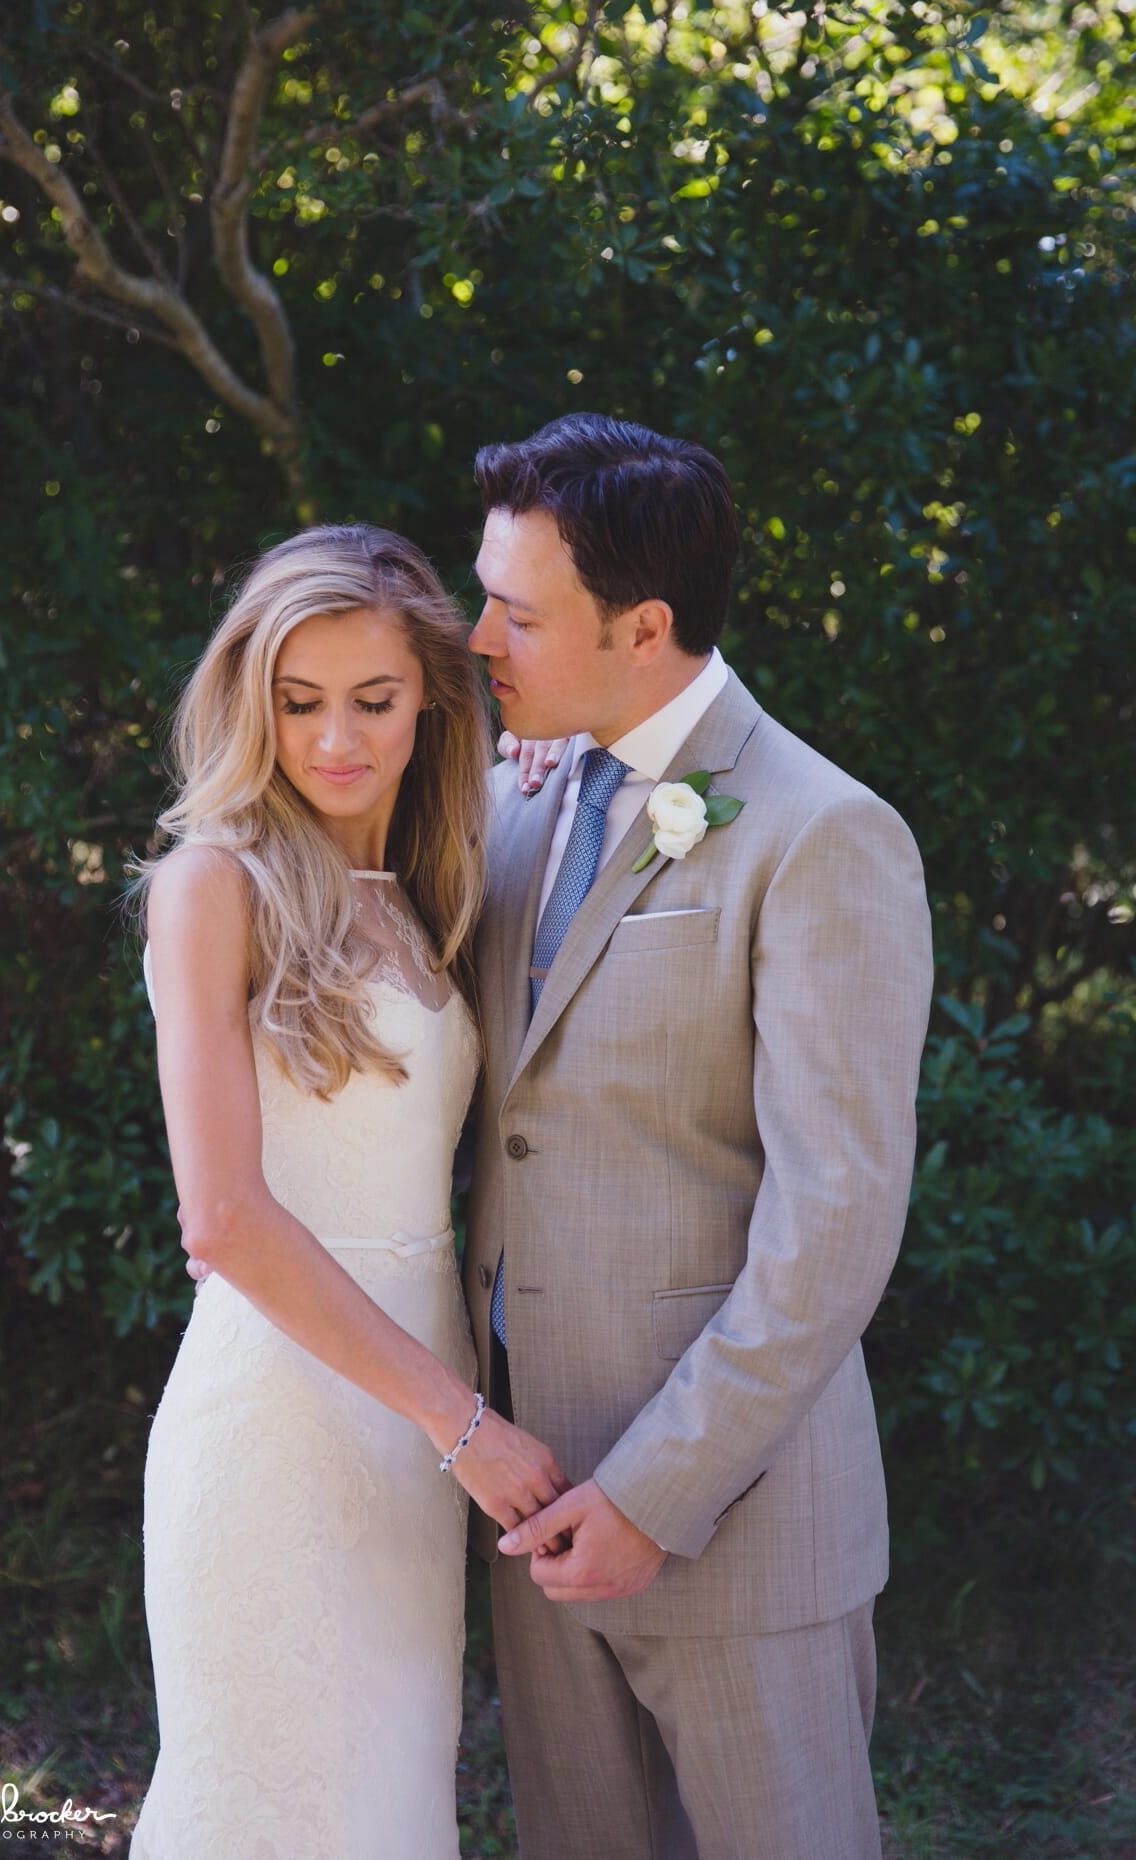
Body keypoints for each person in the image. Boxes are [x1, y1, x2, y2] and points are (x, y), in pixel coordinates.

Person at [463, 412, 935, 1860]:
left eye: (519, 611)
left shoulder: (820, 833)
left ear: (644, 624)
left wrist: (657, 1494)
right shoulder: (519, 795)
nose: (480, 636)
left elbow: (834, 1229)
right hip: (535, 1509)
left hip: (739, 1527)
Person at [126, 524, 568, 1860]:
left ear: (427, 694)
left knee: (385, 1813)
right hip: (282, 1431)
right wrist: (467, 1425)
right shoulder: (216, 886)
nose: (335, 740)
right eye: (298, 703)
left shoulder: (429, 890)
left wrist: (540, 771)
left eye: (373, 702)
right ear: (251, 703)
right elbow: (226, 1220)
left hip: (413, 1436)